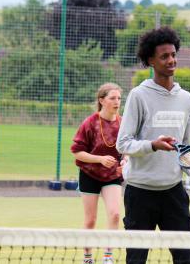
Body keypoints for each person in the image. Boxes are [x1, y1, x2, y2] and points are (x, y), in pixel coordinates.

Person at [116, 26, 190, 264]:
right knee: (136, 260)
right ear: (151, 60)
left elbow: (185, 149)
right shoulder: (138, 95)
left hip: (174, 194)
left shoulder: (187, 100)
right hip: (139, 194)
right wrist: (153, 145)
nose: (171, 60)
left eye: (173, 55)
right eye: (164, 56)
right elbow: (123, 144)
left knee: (186, 259)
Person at [71, 83, 124, 264]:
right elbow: (77, 152)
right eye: (112, 98)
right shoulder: (90, 123)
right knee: (90, 220)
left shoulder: (123, 123)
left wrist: (125, 161)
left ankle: (108, 256)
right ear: (102, 100)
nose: (117, 102)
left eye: (119, 98)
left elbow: (127, 150)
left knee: (115, 214)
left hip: (112, 176)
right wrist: (99, 159)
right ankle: (87, 258)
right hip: (89, 175)